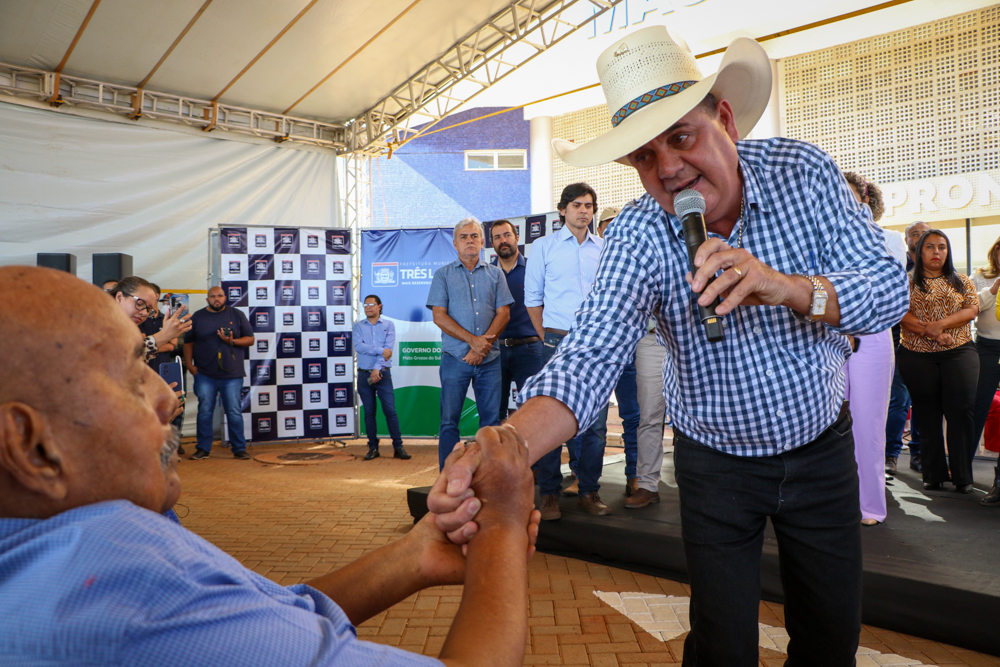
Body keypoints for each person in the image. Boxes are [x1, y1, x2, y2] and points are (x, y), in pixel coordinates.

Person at [429, 26, 909, 667]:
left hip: (821, 448)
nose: (669, 170)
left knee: (830, 636)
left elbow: (886, 291)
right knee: (721, 643)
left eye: (681, 137)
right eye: (644, 157)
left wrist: (785, 286)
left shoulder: (805, 173)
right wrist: (506, 450)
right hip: (716, 467)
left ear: (726, 119)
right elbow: (592, 354)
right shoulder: (637, 233)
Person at [0, 265, 539, 667]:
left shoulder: (58, 534)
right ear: (30, 445)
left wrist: (418, 554)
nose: (167, 399)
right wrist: (502, 530)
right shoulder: (117, 590)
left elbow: (269, 614)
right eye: (129, 375)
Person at [525, 183, 611, 519]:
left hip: (595, 344)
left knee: (597, 424)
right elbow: (533, 299)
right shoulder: (544, 247)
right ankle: (549, 494)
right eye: (577, 205)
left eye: (589, 205)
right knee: (550, 422)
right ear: (562, 210)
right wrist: (547, 336)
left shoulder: (604, 248)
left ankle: (589, 491)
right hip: (557, 342)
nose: (584, 211)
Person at [426, 218, 512, 469]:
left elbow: (504, 314)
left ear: (482, 242)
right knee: (449, 421)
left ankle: (490, 476)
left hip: (490, 361)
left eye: (474, 236)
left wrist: (482, 347)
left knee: (491, 422)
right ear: (455, 244)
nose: (469, 241)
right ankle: (447, 476)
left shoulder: (496, 274)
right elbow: (439, 316)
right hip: (455, 359)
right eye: (464, 237)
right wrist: (474, 343)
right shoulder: (442, 275)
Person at [897, 230, 979, 493]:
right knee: (927, 413)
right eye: (930, 247)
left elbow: (972, 309)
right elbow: (899, 313)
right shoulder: (906, 282)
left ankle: (963, 475)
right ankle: (932, 474)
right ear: (919, 251)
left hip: (959, 352)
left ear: (948, 251)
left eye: (942, 247)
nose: (936, 252)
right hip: (916, 355)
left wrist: (940, 327)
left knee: (961, 412)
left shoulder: (962, 280)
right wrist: (930, 332)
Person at [841, 172, 896, 526]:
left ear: (864, 200)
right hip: (826, 336)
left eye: (847, 196)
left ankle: (869, 506)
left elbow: (886, 293)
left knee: (867, 424)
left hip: (872, 339)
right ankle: (827, 500)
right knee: (824, 426)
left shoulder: (887, 239)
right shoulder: (818, 238)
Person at [594, 207, 642, 499]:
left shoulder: (635, 260)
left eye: (617, 225)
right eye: (607, 226)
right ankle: (583, 478)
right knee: (593, 420)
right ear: (599, 230)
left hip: (630, 349)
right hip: (599, 349)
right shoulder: (588, 257)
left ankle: (633, 476)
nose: (612, 231)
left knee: (633, 417)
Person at [183, 286, 255, 461]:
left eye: (220, 296)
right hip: (204, 373)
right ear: (207, 299)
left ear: (225, 297)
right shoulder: (198, 317)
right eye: (213, 296)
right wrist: (190, 366)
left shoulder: (236, 314)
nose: (217, 299)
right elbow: (188, 343)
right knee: (205, 411)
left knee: (234, 411)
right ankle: (202, 449)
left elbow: (250, 339)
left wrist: (233, 341)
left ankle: (239, 448)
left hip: (232, 374)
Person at [885, 219, 931, 474]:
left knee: (923, 402)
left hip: (930, 344)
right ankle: (890, 455)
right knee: (899, 401)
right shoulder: (898, 266)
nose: (921, 237)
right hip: (899, 342)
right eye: (915, 234)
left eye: (925, 232)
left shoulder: (942, 267)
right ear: (907, 240)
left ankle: (919, 454)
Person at [489, 220, 543, 424]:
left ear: (517, 238)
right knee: (493, 413)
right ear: (492, 243)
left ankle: (534, 457)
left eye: (507, 235)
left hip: (530, 349)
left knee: (533, 413)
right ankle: (496, 456)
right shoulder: (487, 273)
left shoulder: (534, 268)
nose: (503, 240)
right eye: (497, 237)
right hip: (495, 351)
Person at [354, 294, 409, 461]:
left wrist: (376, 368)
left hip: (383, 374)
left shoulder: (389, 325)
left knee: (390, 411)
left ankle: (398, 447)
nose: (368, 307)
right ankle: (372, 447)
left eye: (371, 304)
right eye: (365, 305)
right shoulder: (358, 326)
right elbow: (359, 347)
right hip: (364, 375)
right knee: (369, 413)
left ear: (380, 306)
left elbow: (389, 349)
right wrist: (379, 351)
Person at [140, 283, 186, 455]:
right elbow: (139, 345)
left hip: (165, 368)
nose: (142, 311)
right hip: (146, 369)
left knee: (175, 405)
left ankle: (173, 443)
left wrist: (149, 343)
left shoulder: (167, 318)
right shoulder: (139, 319)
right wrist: (160, 340)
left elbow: (172, 345)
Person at [110, 276, 190, 363]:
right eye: (140, 304)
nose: (144, 313)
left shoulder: (128, 328)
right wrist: (164, 335)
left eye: (149, 309)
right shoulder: (98, 326)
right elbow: (122, 358)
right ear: (119, 297)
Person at [970, 236, 1000, 457]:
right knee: (977, 407)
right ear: (996, 251)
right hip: (986, 348)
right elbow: (970, 308)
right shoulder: (980, 276)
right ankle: (963, 467)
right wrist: (992, 290)